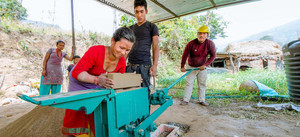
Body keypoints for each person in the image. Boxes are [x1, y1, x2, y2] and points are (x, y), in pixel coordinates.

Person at [62, 27, 135, 137]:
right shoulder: (96, 51)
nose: (124, 53)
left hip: (99, 86)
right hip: (80, 82)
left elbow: (117, 82)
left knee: (97, 115)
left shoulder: (121, 63)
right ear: (112, 41)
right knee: (77, 114)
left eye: (127, 50)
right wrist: (96, 80)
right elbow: (76, 72)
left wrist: (129, 80)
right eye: (121, 47)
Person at [126, 0, 159, 97]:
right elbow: (126, 49)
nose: (139, 15)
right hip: (130, 66)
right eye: (137, 12)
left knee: (144, 95)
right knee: (129, 94)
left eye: (142, 11)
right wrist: (122, 64)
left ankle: (145, 113)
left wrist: (155, 65)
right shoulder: (130, 29)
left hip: (144, 67)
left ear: (146, 11)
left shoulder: (152, 27)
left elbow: (155, 46)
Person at [180, 26, 216, 106]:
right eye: (200, 33)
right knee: (189, 83)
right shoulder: (191, 44)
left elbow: (213, 56)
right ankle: (186, 100)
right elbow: (184, 55)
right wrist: (182, 66)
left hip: (202, 67)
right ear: (197, 34)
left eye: (204, 34)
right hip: (191, 67)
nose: (201, 35)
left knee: (202, 83)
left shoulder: (210, 44)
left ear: (207, 35)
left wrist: (205, 65)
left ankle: (201, 100)